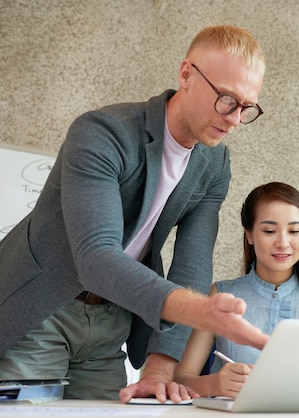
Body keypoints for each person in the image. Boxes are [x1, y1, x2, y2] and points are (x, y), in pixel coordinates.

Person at [0, 25, 269, 403]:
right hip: (44, 308)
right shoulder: (102, 132)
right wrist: (198, 311)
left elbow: (191, 265)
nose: (235, 119)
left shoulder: (215, 162)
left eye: (247, 107)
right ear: (187, 74)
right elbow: (95, 256)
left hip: (112, 322)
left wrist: (161, 366)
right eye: (226, 98)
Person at [174, 182, 299, 398]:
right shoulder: (221, 295)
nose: (283, 243)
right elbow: (180, 379)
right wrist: (215, 384)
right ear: (249, 235)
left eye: (294, 231)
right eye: (269, 231)